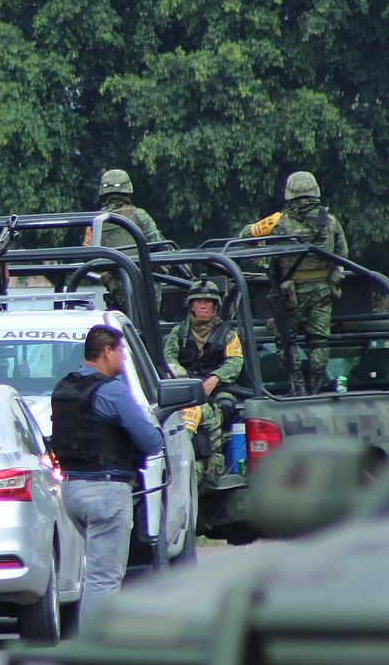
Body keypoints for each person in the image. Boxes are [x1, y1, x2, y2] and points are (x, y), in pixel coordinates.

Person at [50, 325, 163, 616]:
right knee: (104, 579)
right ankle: (98, 653)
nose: (124, 359)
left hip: (72, 490)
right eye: (122, 352)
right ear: (107, 352)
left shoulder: (65, 387)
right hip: (106, 491)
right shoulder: (112, 391)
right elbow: (150, 442)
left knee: (94, 574)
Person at [239, 171, 349, 394]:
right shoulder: (330, 221)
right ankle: (316, 386)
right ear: (315, 191)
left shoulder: (279, 222)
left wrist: (263, 261)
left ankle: (297, 386)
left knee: (287, 340)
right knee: (319, 340)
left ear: (290, 194)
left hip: (290, 295)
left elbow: (245, 236)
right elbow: (342, 254)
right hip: (322, 292)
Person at [163, 280, 244, 487]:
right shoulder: (178, 333)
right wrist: (185, 383)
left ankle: (216, 459)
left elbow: (235, 362)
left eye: (208, 302)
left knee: (225, 407)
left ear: (215, 306)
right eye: (199, 301)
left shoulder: (227, 333)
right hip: (187, 389)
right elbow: (169, 361)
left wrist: (214, 379)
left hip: (217, 387)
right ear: (191, 305)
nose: (203, 306)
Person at [86, 169, 166, 315]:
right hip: (144, 288)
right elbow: (159, 248)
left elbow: (89, 256)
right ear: (127, 190)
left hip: (115, 289)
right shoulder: (139, 216)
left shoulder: (94, 221)